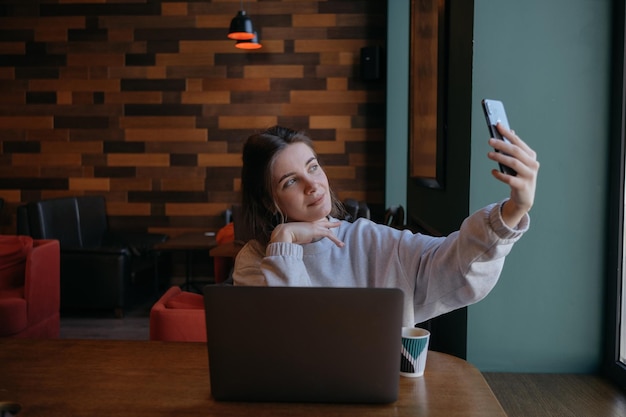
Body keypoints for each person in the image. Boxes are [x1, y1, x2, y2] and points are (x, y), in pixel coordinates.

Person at [233, 125, 539, 326]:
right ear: (267, 200)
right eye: (290, 181)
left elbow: (455, 263)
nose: (313, 185)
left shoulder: (369, 240)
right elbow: (288, 337)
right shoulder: (254, 261)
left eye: (313, 167)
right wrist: (284, 241)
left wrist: (513, 210)